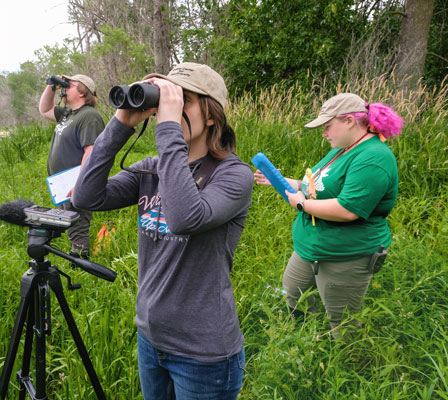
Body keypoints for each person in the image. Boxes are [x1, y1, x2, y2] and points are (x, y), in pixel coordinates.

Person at [73, 63, 253, 399]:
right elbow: (86, 197)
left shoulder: (233, 175)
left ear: (211, 115)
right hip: (151, 339)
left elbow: (186, 217)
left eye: (183, 100)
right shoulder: (152, 168)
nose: (169, 109)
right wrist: (120, 125)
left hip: (203, 353)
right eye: (168, 100)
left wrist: (168, 129)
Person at [255, 93, 403, 338]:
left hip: (345, 254)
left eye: (327, 126)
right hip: (311, 246)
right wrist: (281, 182)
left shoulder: (374, 157)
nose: (324, 133)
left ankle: (345, 362)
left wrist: (301, 204)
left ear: (349, 121)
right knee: (294, 294)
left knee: (343, 321)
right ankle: (308, 343)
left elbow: (348, 210)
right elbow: (318, 187)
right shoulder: (343, 148)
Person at [39, 74, 105, 259]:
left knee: (77, 226)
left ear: (83, 92)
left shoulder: (89, 116)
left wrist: (80, 184)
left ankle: (80, 266)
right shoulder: (68, 114)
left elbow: (91, 152)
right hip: (61, 183)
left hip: (74, 183)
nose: (65, 87)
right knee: (68, 223)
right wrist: (51, 86)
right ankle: (76, 261)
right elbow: (45, 110)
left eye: (71, 84)